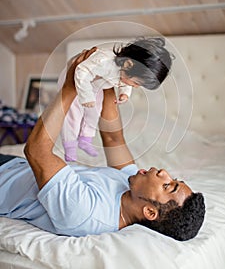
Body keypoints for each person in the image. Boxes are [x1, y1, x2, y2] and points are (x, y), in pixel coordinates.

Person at [0, 48, 205, 241]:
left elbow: (37, 151)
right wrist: (109, 79)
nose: (164, 173)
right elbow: (113, 138)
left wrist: (71, 88)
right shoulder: (131, 186)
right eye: (173, 178)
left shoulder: (86, 212)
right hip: (12, 166)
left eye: (168, 185)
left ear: (150, 212)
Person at [57, 37, 172, 161]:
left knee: (95, 111)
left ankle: (85, 139)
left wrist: (125, 93)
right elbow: (81, 71)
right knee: (74, 114)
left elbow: (126, 82)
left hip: (94, 85)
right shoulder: (103, 61)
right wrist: (86, 96)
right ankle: (69, 146)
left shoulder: (127, 70)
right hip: (74, 80)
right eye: (136, 83)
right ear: (128, 64)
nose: (136, 87)